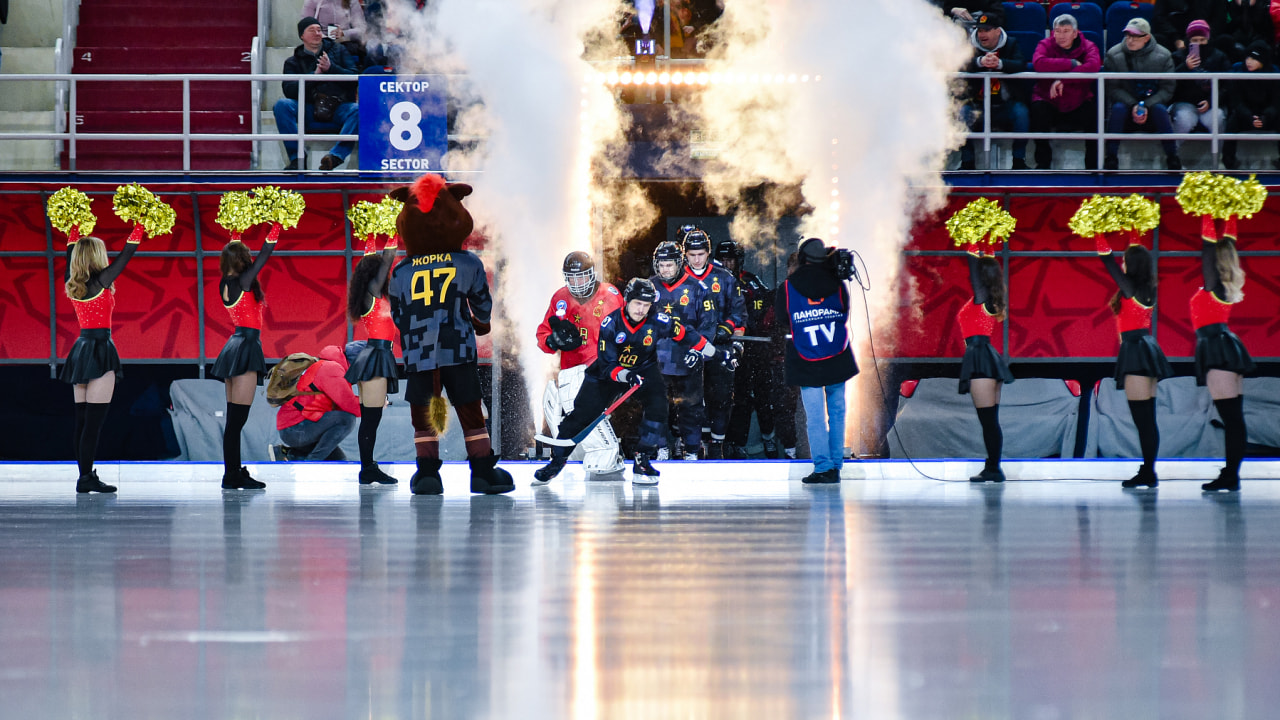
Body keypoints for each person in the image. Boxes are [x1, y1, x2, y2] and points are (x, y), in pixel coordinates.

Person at [533, 278, 732, 486]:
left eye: (646, 305)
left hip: (644, 369)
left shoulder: (658, 320)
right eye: (637, 303)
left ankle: (642, 459)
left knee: (658, 407)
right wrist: (626, 376)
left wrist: (717, 354)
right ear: (627, 301)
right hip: (607, 374)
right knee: (581, 415)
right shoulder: (611, 324)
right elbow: (607, 364)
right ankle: (556, 462)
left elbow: (687, 335)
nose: (641, 310)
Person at [388, 174, 514, 495]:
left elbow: (399, 316)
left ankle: (428, 474)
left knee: (424, 414)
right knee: (470, 411)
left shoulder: (402, 271)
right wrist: (480, 323)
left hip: (419, 354)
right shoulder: (467, 263)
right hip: (457, 348)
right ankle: (483, 472)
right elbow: (482, 304)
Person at [61, 233, 140, 494]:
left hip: (81, 350)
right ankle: (85, 478)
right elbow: (125, 257)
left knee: (82, 422)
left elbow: (69, 254)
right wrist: (140, 225)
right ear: (96, 256)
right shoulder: (101, 282)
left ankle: (85, 476)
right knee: (91, 424)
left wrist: (72, 231)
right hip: (100, 350)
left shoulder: (71, 282)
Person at [776, 238, 858, 484]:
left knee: (815, 416)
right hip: (837, 355)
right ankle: (835, 466)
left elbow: (783, 319)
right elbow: (845, 311)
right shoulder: (838, 284)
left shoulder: (788, 288)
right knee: (837, 412)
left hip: (805, 356)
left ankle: (822, 466)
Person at [537, 251, 626, 475]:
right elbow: (544, 333)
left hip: (601, 367)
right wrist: (552, 340)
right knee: (576, 415)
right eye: (572, 278)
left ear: (592, 274)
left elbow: (624, 332)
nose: (577, 283)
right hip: (571, 369)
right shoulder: (560, 297)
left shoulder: (610, 295)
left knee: (585, 412)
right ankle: (598, 457)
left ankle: (607, 452)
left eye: (582, 277)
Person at [1096, 236, 1173, 488]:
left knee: (1143, 420)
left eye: (1125, 261)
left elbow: (1108, 263)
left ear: (1132, 265)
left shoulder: (1132, 289)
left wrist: (1097, 230)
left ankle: (1148, 472)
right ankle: (1148, 470)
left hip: (1136, 351)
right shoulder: (1145, 287)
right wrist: (1134, 231)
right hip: (1145, 349)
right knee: (1147, 420)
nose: (1122, 263)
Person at [209, 227, 275, 490]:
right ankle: (232, 474)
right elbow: (265, 255)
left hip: (234, 346)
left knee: (233, 421)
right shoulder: (242, 281)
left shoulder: (226, 283)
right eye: (245, 255)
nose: (249, 258)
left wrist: (236, 232)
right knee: (237, 420)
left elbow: (242, 253)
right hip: (245, 346)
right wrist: (277, 226)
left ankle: (232, 473)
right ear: (239, 260)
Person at [1193, 216, 1254, 492]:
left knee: (1232, 419)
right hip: (1225, 347)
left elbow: (1208, 250)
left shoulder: (1215, 285)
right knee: (1234, 419)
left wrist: (1207, 213)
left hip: (1218, 349)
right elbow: (1226, 244)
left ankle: (1230, 475)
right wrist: (1230, 215)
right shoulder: (1222, 286)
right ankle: (1231, 474)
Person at [680, 227, 745, 459]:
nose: (696, 259)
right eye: (691, 254)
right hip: (688, 348)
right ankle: (691, 445)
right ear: (684, 254)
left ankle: (717, 444)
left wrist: (727, 329)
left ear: (708, 253)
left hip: (719, 347)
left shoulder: (724, 277)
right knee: (689, 399)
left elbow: (739, 312)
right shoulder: (676, 279)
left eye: (701, 254)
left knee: (721, 396)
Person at [716, 239, 783, 459]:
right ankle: (731, 443)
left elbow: (769, 304)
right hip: (726, 348)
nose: (727, 264)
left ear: (738, 261)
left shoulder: (750, 281)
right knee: (733, 398)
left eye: (731, 259)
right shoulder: (712, 282)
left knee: (761, 396)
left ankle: (765, 440)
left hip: (755, 348)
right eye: (723, 259)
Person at [344, 233, 401, 484]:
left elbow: (374, 262)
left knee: (369, 418)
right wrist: (393, 234)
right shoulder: (372, 291)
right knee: (371, 418)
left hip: (373, 354)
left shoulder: (370, 294)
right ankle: (368, 468)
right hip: (376, 355)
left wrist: (370, 238)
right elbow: (386, 263)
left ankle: (367, 467)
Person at [649, 240, 714, 460]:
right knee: (656, 407)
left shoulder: (697, 288)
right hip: (656, 361)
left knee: (691, 409)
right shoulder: (649, 287)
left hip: (687, 360)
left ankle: (692, 451)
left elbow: (708, 324)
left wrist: (698, 351)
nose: (665, 269)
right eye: (661, 264)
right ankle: (660, 449)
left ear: (679, 263)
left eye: (669, 264)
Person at [956, 243, 1014, 483]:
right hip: (985, 357)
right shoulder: (987, 299)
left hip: (980, 358)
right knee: (990, 421)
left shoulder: (983, 298)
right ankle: (993, 467)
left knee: (988, 421)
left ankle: (993, 468)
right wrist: (987, 241)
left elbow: (973, 269)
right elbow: (985, 265)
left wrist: (971, 239)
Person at [274, 17, 360, 171]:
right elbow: (289, 91)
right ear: (302, 36)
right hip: (309, 108)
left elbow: (355, 78)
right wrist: (314, 76)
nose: (317, 33)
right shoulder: (292, 62)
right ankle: (297, 158)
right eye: (311, 30)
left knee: (357, 109)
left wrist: (331, 69)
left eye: (319, 30)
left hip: (338, 108)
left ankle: (335, 157)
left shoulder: (339, 51)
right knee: (282, 105)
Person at [1103, 18, 1181, 170]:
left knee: (1160, 109)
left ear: (1146, 37)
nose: (1130, 40)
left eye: (1135, 36)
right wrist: (1133, 105)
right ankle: (1111, 157)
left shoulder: (1164, 55)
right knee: (1118, 109)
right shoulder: (1113, 54)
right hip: (1126, 107)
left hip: (1152, 107)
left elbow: (1168, 89)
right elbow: (1112, 88)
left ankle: (1172, 157)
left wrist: (1145, 105)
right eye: (1127, 36)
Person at [958, 11, 1031, 170]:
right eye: (980, 30)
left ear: (998, 31)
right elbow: (962, 65)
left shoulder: (1011, 43)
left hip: (1004, 105)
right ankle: (967, 162)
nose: (982, 34)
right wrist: (979, 62)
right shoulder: (970, 46)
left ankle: (1019, 160)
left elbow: (1020, 64)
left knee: (1021, 113)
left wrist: (999, 64)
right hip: (977, 105)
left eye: (987, 30)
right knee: (962, 113)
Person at [1031, 14, 1103, 170]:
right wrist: (1070, 63)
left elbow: (1093, 66)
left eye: (1066, 31)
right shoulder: (1045, 44)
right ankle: (1043, 164)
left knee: (1094, 114)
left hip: (1078, 100)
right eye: (1057, 31)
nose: (1061, 35)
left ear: (1075, 33)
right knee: (1037, 111)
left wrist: (1064, 80)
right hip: (1049, 99)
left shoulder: (1089, 46)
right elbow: (1039, 63)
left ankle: (1093, 167)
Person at [271, 345, 360, 460]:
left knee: (339, 462)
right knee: (346, 419)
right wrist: (373, 405)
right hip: (295, 428)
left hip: (302, 425)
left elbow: (341, 404)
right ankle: (312, 462)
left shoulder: (329, 366)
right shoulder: (331, 368)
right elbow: (350, 405)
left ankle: (288, 455)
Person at [1170, 20, 1232, 150]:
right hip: (1184, 103)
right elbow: (1170, 84)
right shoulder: (1177, 57)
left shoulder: (1220, 57)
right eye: (1195, 40)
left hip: (1212, 104)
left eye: (1202, 40)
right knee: (1183, 120)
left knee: (1218, 118)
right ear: (1188, 40)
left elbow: (1228, 86)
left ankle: (1218, 159)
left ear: (1208, 39)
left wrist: (1211, 101)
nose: (1199, 43)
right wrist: (1185, 67)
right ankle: (1173, 158)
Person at [1222, 40, 1280, 169]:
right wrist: (1249, 117)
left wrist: (1265, 117)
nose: (1249, 61)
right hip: (1245, 115)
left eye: (1254, 58)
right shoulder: (1238, 71)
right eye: (1248, 57)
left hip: (1268, 115)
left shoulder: (1274, 73)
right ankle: (1228, 161)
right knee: (1232, 122)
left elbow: (1277, 102)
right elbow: (1236, 101)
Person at [301, 0, 369, 64]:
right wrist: (321, 37)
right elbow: (305, 27)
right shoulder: (312, 1)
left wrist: (344, 33)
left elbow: (361, 30)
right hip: (319, 45)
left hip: (345, 45)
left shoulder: (352, 1)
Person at [1152, 0, 1226, 52]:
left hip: (1207, 37)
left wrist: (1204, 38)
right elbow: (1160, 18)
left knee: (1224, 40)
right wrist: (1176, 38)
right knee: (1159, 39)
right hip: (1174, 37)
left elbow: (1219, 19)